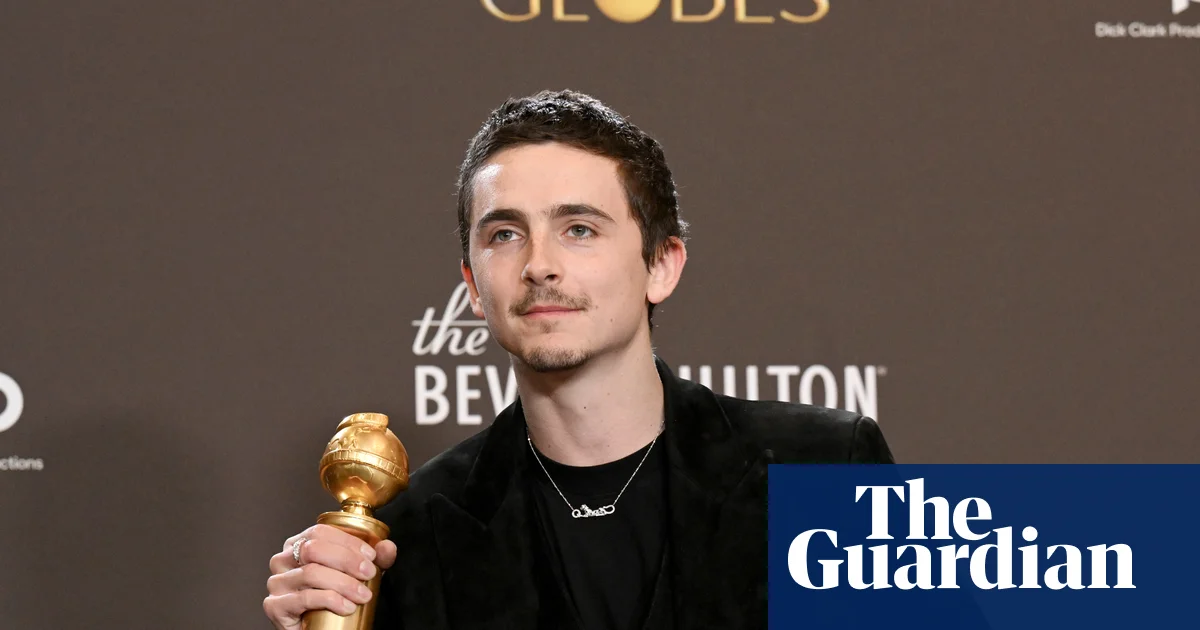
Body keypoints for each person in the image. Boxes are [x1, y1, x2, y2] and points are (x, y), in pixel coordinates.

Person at [264, 89, 894, 630]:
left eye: (579, 229)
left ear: (661, 265)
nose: (539, 265)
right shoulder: (412, 534)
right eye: (505, 234)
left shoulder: (826, 466)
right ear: (474, 287)